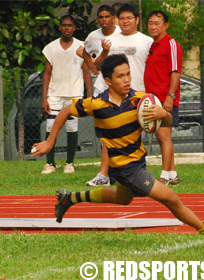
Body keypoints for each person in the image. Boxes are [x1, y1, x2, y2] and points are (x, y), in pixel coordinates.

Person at [32, 54, 204, 245]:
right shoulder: (97, 104)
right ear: (108, 81)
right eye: (120, 76)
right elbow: (66, 109)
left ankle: (70, 198)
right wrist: (50, 142)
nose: (127, 79)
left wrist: (163, 114)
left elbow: (166, 122)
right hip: (125, 167)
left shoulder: (141, 100)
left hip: (137, 161)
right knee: (171, 198)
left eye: (128, 74)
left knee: (123, 199)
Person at [84, 3, 154, 187]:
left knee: (134, 138)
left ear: (137, 20)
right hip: (112, 96)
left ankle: (136, 173)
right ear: (117, 20)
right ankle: (104, 174)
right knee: (110, 135)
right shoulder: (110, 40)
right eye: (122, 18)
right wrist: (105, 51)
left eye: (129, 18)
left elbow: (154, 68)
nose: (125, 21)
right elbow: (98, 66)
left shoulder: (147, 41)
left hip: (136, 95)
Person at [39, 15, 92, 174]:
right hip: (54, 94)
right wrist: (44, 98)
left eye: (70, 25)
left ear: (74, 28)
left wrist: (89, 96)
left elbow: (87, 72)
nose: (67, 28)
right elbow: (47, 74)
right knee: (50, 126)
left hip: (74, 94)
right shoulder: (51, 48)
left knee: (71, 127)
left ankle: (69, 163)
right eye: (64, 25)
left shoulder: (81, 47)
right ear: (60, 27)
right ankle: (50, 164)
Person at [76, 4, 121, 186]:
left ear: (113, 18)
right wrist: (97, 60)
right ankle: (104, 174)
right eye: (101, 17)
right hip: (103, 88)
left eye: (107, 17)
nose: (104, 20)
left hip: (123, 89)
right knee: (106, 131)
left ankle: (121, 171)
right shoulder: (93, 37)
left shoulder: (122, 34)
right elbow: (87, 56)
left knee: (123, 130)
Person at [144, 10, 182, 186]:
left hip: (165, 99)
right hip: (153, 99)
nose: (153, 26)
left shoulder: (171, 44)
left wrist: (170, 97)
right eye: (150, 23)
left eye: (157, 23)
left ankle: (165, 175)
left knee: (164, 135)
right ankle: (173, 174)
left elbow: (175, 73)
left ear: (166, 25)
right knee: (161, 136)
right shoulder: (153, 45)